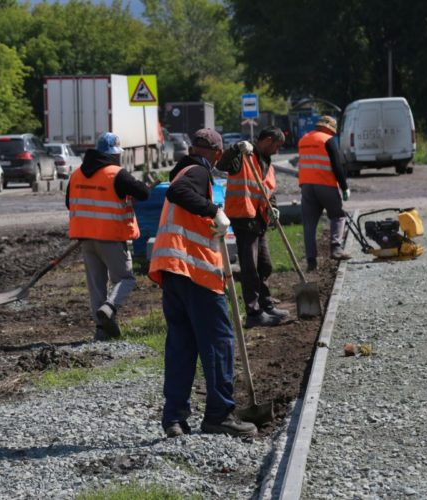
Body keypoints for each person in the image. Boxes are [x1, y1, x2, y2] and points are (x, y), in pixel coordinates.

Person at [148, 128, 257, 439]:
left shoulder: (186, 167)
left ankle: (174, 419)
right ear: (216, 154)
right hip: (195, 273)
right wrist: (215, 211)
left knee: (182, 346)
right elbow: (177, 192)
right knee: (220, 342)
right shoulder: (196, 172)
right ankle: (219, 415)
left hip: (173, 271)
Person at [66, 132, 150, 341]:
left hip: (86, 240)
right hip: (111, 238)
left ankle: (101, 331)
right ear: (113, 155)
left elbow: (70, 202)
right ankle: (111, 307)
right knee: (125, 278)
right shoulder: (116, 174)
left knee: (96, 286)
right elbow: (144, 193)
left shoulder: (76, 174)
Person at [216, 126, 289, 329]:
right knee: (250, 268)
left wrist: (273, 208)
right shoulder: (244, 157)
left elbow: (269, 191)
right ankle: (253, 312)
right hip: (243, 219)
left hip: (259, 220)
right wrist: (236, 149)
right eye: (277, 145)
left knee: (264, 266)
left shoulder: (267, 163)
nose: (277, 150)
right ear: (266, 141)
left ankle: (266, 305)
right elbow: (222, 164)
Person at [298, 115, 351, 272]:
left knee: (309, 224)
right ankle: (336, 248)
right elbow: (337, 166)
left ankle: (311, 262)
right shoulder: (327, 140)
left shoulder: (303, 140)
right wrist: (344, 187)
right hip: (325, 185)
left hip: (306, 186)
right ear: (329, 128)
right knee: (338, 216)